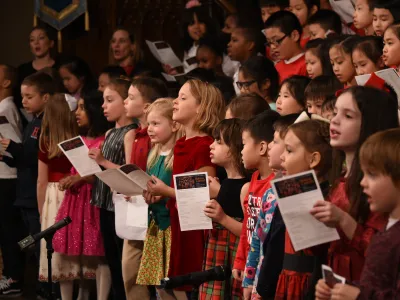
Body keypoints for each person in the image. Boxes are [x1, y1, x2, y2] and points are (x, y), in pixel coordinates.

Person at [310, 86, 399, 283]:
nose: (334, 120)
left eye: (348, 116)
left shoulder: (383, 186)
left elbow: (384, 251)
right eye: (334, 113)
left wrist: (344, 220)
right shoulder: (340, 178)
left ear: (371, 123)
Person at [145, 79, 224, 298]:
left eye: (183, 98)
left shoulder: (203, 144)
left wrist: (166, 191)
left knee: (192, 287)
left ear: (200, 107)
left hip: (195, 229)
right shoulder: (181, 143)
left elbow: (204, 191)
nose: (175, 103)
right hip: (178, 223)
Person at [315, 128, 400, 300]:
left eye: (372, 175)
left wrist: (358, 296)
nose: (363, 182)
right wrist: (341, 289)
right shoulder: (388, 229)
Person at [52, 90, 112, 300]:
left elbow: (102, 174)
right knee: (68, 251)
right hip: (75, 201)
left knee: (99, 252)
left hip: (93, 201)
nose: (77, 112)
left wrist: (79, 178)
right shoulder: (81, 139)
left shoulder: (106, 139)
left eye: (83, 108)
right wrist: (70, 179)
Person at [0, 72, 55, 298]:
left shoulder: (44, 124)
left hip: (34, 195)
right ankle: (29, 280)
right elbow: (25, 159)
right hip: (24, 194)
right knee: (26, 241)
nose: (23, 101)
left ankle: (44, 286)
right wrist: (7, 155)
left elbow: (35, 158)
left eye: (29, 96)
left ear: (46, 97)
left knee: (37, 241)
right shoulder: (32, 121)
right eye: (22, 96)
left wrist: (11, 147)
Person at [275, 119, 335, 299]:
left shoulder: (326, 199)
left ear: (314, 159)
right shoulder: (291, 193)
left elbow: (321, 257)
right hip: (286, 278)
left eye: (289, 150)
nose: (282, 157)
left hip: (308, 286)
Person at [89, 78, 137, 300]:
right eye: (103, 101)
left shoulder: (131, 132)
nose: (104, 106)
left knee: (121, 260)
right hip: (104, 202)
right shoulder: (109, 133)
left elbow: (130, 170)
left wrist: (103, 161)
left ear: (125, 101)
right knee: (110, 258)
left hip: (119, 204)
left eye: (109, 100)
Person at [122, 77, 168, 300]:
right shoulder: (133, 135)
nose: (125, 101)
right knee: (130, 269)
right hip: (136, 207)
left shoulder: (160, 140)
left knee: (160, 278)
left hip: (158, 213)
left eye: (131, 97)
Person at [199, 119, 249, 299]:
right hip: (217, 253)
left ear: (236, 147)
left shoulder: (246, 186)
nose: (211, 146)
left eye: (219, 142)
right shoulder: (226, 183)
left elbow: (249, 232)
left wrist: (222, 218)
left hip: (234, 257)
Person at [137, 99, 181, 300]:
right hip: (155, 226)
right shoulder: (153, 154)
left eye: (156, 124)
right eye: (149, 124)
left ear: (173, 125)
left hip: (171, 227)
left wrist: (163, 192)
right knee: (158, 284)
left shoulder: (178, 155)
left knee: (173, 282)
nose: (149, 129)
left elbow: (175, 190)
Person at [232, 110, 280, 292]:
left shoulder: (276, 185)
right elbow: (248, 226)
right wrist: (240, 261)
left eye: (244, 144)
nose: (241, 150)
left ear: (262, 148)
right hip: (250, 264)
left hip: (265, 269)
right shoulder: (253, 179)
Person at [255, 114, 300, 300]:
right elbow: (258, 240)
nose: (274, 149)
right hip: (266, 277)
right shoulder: (272, 191)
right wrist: (254, 281)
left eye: (288, 150)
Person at [37, 94, 78, 293]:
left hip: (54, 196)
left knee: (60, 248)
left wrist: (40, 209)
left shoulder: (46, 141)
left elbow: (41, 182)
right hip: (77, 193)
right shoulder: (80, 138)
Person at [0, 64, 25, 297]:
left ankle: (14, 276)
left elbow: (15, 143)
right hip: (4, 177)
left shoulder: (6, 108)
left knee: (9, 231)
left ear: (7, 82)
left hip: (7, 179)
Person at [15, 26, 57, 122]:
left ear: (51, 43)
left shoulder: (60, 68)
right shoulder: (22, 70)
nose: (36, 43)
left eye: (41, 38)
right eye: (32, 40)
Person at [264, 11, 308, 83]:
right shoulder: (276, 67)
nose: (272, 47)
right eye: (269, 42)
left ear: (294, 35)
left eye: (276, 40)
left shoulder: (306, 65)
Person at [228, 27, 266, 94]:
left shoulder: (261, 66)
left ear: (250, 45)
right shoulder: (238, 67)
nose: (229, 44)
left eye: (234, 40)